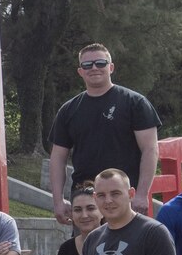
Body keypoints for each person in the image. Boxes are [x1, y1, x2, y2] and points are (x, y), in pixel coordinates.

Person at [48, 43, 161, 224]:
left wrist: (141, 194)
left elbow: (150, 150)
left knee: (129, 249)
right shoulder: (68, 110)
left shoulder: (135, 103)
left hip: (124, 196)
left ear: (111, 67)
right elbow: (58, 157)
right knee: (87, 250)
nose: (94, 68)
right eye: (87, 65)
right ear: (80, 71)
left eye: (100, 63)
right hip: (85, 197)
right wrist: (58, 201)